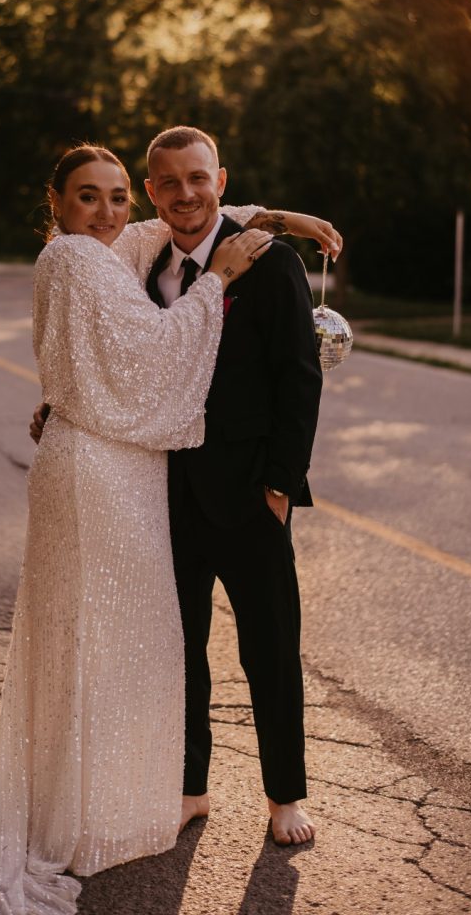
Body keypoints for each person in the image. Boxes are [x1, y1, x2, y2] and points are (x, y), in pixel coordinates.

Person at [0, 144, 276, 915]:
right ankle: (83, 822)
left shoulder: (94, 251)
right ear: (53, 200)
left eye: (119, 196)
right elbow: (152, 350)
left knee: (94, 637)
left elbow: (172, 224)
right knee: (101, 636)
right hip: (100, 471)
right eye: (89, 196)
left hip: (95, 459)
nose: (110, 211)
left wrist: (276, 217)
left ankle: (87, 808)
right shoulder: (77, 263)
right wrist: (220, 278)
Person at [143, 125, 326, 847]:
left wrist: (280, 488)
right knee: (179, 648)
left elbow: (299, 378)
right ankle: (191, 788)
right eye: (168, 182)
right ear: (152, 190)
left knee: (271, 650)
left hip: (252, 493)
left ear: (221, 180)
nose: (185, 193)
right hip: (168, 492)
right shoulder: (146, 265)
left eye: (198, 177)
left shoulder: (273, 263)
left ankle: (285, 795)